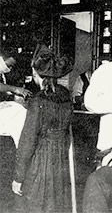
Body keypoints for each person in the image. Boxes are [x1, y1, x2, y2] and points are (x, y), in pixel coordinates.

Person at [11, 44, 74, 213]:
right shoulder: (66, 96)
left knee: (35, 205)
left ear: (35, 74)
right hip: (61, 162)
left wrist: (18, 177)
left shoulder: (38, 100)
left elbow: (28, 140)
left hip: (41, 163)